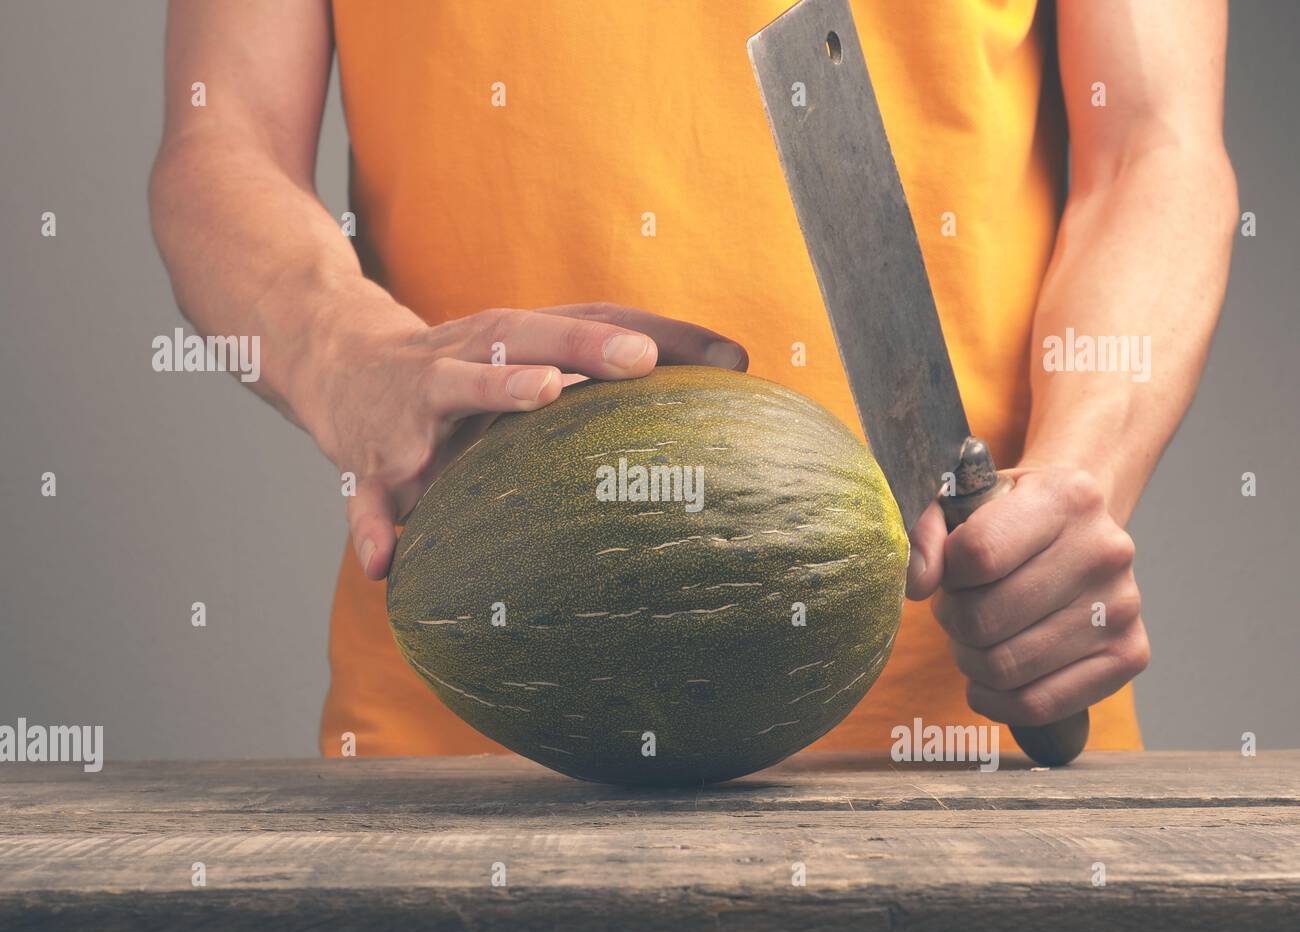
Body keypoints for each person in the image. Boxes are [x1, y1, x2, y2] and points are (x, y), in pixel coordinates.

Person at [149, 0, 1237, 759]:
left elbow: (1156, 145)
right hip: (469, 760)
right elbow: (221, 137)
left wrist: (1077, 473)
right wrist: (343, 350)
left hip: (966, 760)